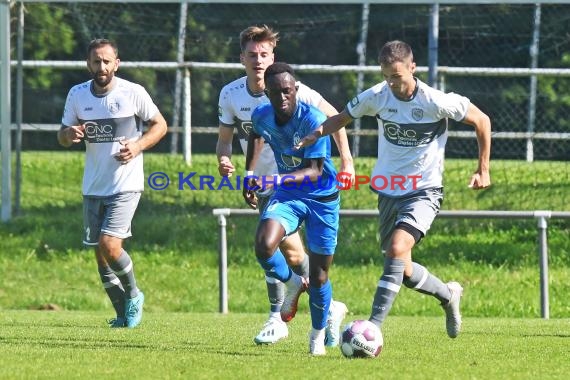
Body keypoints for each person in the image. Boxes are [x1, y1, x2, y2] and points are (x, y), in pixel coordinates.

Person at [296, 40, 491, 339]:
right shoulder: (377, 95)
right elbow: (342, 118)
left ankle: (372, 327)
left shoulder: (435, 101)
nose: (392, 83)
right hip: (388, 190)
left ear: (413, 68)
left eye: (397, 76)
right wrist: (315, 133)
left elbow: (481, 120)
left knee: (398, 249)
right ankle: (448, 295)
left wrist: (483, 169)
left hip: (424, 190)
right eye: (386, 76)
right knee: (402, 266)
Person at [216, 25, 353, 346]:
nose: (258, 60)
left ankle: (286, 313)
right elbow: (235, 138)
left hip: (298, 185)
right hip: (273, 186)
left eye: (264, 54)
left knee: (289, 251)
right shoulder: (233, 95)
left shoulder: (298, 93)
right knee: (274, 248)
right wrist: (234, 166)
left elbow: (336, 119)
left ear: (273, 56)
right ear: (242, 58)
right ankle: (318, 305)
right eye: (252, 55)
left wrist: (347, 159)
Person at [57, 38, 167, 328]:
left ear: (116, 64)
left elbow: (160, 125)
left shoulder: (133, 92)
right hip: (93, 185)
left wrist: (138, 145)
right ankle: (122, 316)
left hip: (125, 184)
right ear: (88, 63)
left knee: (109, 244)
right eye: (96, 61)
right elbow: (62, 135)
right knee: (99, 253)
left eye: (107, 61)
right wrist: (70, 134)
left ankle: (133, 294)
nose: (102, 66)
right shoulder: (77, 95)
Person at [243, 62, 341, 355]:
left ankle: (317, 335)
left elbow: (313, 171)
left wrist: (273, 178)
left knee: (321, 275)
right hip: (288, 194)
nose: (282, 97)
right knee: (264, 245)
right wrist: (248, 175)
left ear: (295, 89)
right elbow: (256, 135)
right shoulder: (262, 115)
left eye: (287, 91)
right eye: (276, 93)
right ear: (268, 94)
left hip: (322, 197)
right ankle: (295, 281)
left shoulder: (312, 119)